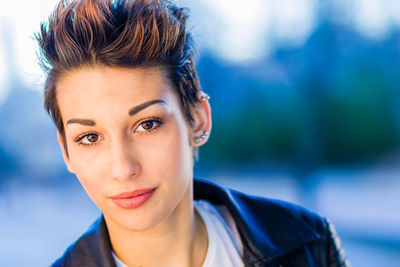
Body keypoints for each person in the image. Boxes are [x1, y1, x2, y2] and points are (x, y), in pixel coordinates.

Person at [36, 0, 350, 266]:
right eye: (90, 138)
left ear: (197, 119)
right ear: (66, 152)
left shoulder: (309, 243)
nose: (123, 169)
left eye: (147, 124)